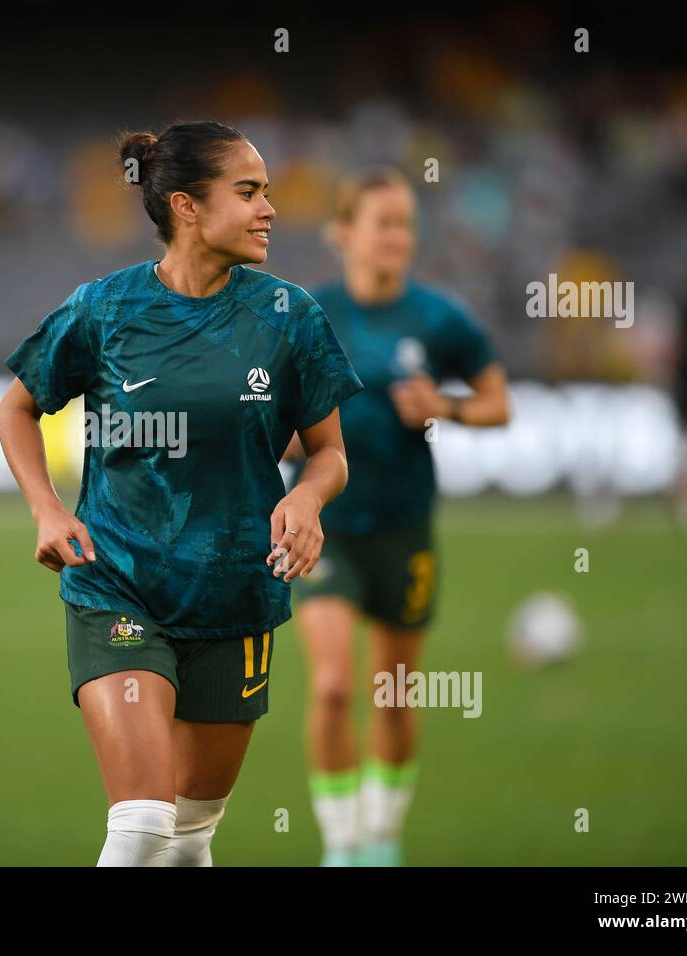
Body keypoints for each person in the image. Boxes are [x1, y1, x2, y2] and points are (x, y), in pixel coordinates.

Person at [0, 122, 362, 866]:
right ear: (189, 207)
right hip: (118, 587)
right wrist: (46, 506)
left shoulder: (290, 317)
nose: (270, 210)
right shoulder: (102, 311)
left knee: (189, 843)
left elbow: (329, 455)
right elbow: (16, 408)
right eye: (250, 192)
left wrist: (307, 500)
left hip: (236, 599)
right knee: (140, 830)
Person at [289, 167, 510, 866]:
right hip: (322, 528)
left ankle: (382, 839)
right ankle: (342, 843)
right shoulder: (302, 313)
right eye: (382, 222)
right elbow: (267, 406)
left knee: (392, 697)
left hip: (405, 529)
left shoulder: (439, 318)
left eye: (407, 224)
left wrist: (446, 407)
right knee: (330, 688)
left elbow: (498, 403)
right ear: (343, 233)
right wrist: (283, 435)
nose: (398, 237)